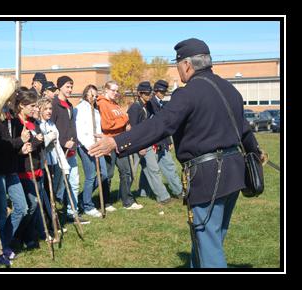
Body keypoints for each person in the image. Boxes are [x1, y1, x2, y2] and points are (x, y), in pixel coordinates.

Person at [89, 38, 267, 268]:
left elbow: (160, 125)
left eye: (178, 65)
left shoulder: (188, 93)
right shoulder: (230, 89)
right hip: (234, 173)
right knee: (210, 238)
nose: (178, 70)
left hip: (208, 176)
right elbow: (243, 128)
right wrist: (255, 150)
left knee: (209, 243)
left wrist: (117, 142)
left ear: (187, 65)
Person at [0, 75, 32, 265]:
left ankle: (4, 243)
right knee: (0, 213)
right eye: (13, 91)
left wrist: (20, 146)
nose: (16, 95)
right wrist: (19, 142)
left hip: (10, 167)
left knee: (22, 207)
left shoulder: (9, 114)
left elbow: (12, 142)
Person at [96, 80, 142, 210]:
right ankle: (105, 202)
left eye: (117, 91)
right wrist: (124, 120)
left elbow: (120, 120)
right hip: (109, 142)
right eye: (113, 90)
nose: (115, 93)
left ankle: (127, 201)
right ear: (106, 90)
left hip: (120, 141)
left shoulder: (114, 104)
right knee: (108, 174)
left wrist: (124, 123)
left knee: (126, 171)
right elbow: (106, 125)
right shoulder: (102, 104)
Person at [12, 89, 48, 249]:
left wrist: (41, 141)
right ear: (22, 105)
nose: (36, 109)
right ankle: (16, 235)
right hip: (24, 170)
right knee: (30, 205)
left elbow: (39, 144)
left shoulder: (34, 123)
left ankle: (28, 236)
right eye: (32, 106)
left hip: (37, 168)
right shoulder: (16, 123)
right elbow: (18, 147)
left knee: (34, 205)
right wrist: (34, 143)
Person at [51, 76, 90, 223]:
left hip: (71, 151)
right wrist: (62, 142)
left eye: (71, 87)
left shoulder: (69, 105)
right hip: (59, 152)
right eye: (67, 86)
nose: (70, 90)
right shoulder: (54, 104)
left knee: (74, 182)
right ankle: (53, 215)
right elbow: (51, 127)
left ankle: (72, 212)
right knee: (59, 185)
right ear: (60, 86)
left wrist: (74, 142)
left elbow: (71, 126)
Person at [127, 81, 173, 205]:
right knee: (131, 173)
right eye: (146, 93)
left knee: (153, 169)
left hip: (145, 143)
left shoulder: (148, 106)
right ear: (139, 93)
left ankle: (163, 197)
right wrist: (139, 146)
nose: (148, 96)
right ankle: (125, 196)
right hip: (135, 145)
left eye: (149, 93)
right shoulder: (134, 108)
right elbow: (134, 129)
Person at [74, 85, 111, 218]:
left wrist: (101, 144)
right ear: (85, 94)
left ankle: (83, 197)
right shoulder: (79, 109)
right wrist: (89, 146)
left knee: (104, 175)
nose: (94, 98)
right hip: (86, 147)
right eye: (91, 95)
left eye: (96, 96)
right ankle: (88, 205)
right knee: (91, 175)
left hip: (97, 145)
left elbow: (98, 130)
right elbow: (79, 131)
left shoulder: (95, 110)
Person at [37, 97, 70, 235]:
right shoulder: (38, 124)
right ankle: (49, 226)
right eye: (46, 109)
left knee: (53, 195)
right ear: (39, 109)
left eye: (50, 108)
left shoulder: (51, 124)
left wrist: (64, 163)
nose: (49, 111)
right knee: (45, 197)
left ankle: (54, 224)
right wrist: (48, 138)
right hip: (43, 163)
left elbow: (57, 146)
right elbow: (39, 145)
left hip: (54, 162)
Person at [150, 80, 183, 199]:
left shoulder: (161, 104)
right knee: (153, 169)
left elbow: (166, 125)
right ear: (156, 91)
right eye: (162, 91)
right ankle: (178, 191)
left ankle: (178, 190)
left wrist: (168, 141)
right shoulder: (151, 104)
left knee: (168, 166)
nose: (164, 94)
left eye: (165, 91)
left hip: (162, 141)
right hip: (153, 142)